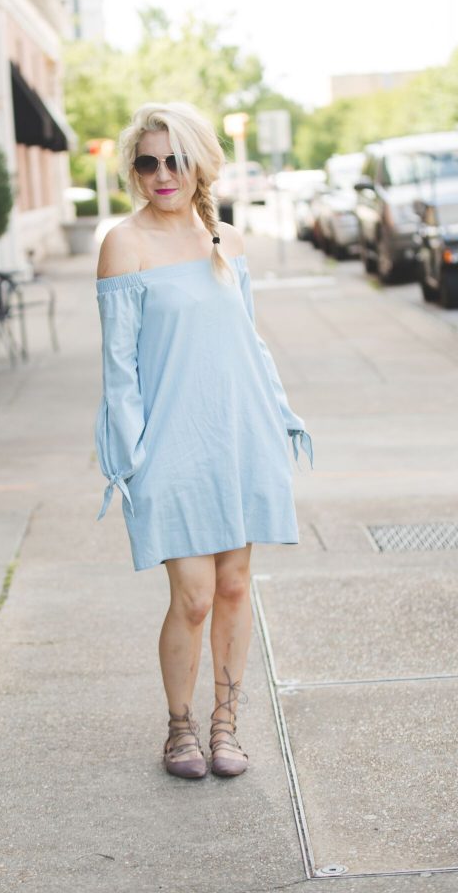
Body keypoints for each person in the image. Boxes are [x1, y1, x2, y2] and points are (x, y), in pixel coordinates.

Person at [94, 102, 312, 780]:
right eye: (148, 161)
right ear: (133, 169)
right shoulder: (122, 245)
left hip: (237, 434)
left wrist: (279, 419)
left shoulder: (227, 242)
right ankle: (178, 727)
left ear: (199, 165)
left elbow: (248, 344)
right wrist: (130, 462)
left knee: (234, 588)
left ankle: (225, 724)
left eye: (176, 160)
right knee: (190, 596)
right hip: (170, 446)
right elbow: (118, 372)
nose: (163, 174)